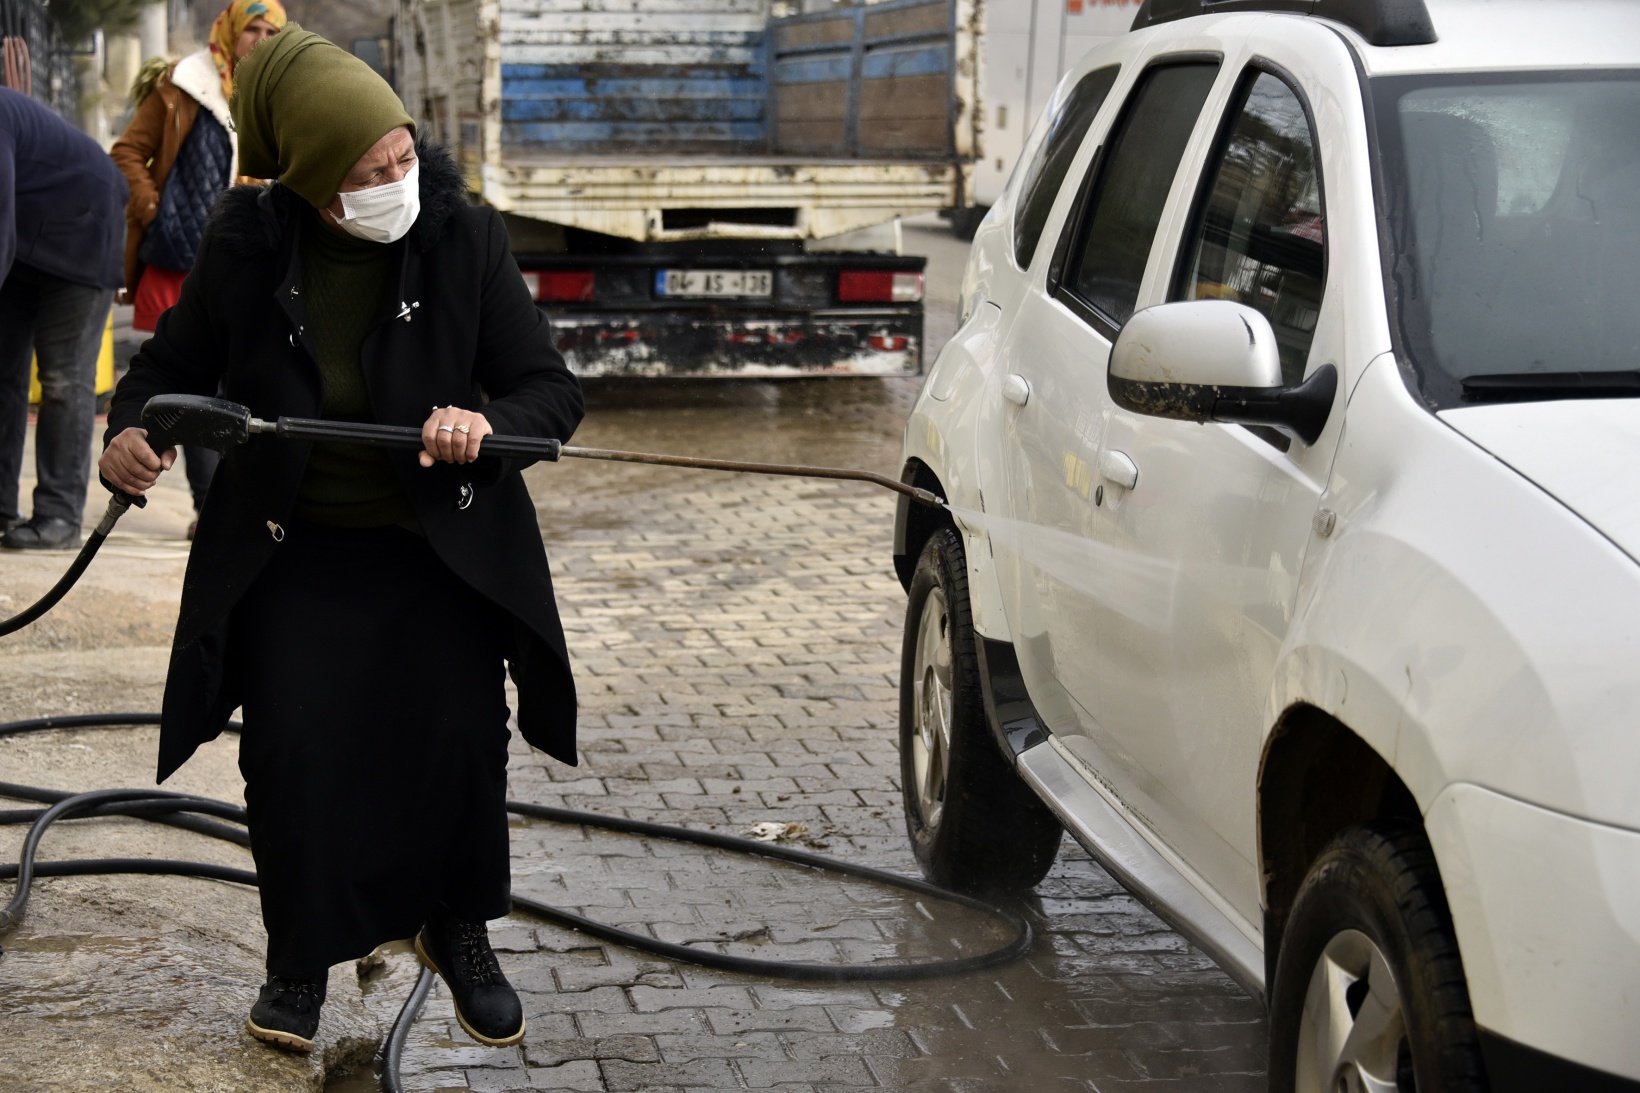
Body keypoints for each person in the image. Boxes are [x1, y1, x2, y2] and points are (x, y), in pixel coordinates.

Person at [97, 27, 583, 1053]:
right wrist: (129, 432)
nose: (397, 181)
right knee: (294, 755)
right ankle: (298, 961)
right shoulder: (245, 247)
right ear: (314, 183)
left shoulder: (463, 235)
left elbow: (549, 389)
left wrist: (488, 430)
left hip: (437, 546)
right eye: (370, 171)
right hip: (297, 545)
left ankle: (455, 928)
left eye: (403, 158)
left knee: (456, 740)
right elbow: (162, 371)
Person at [111, 0, 286, 538]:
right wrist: (154, 210)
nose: (258, 38)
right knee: (196, 381)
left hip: (248, 258)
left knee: (244, 379)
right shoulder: (182, 85)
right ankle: (208, 505)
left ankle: (234, 500)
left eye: (269, 29)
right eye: (250, 28)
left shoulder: (277, 91)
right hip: (182, 258)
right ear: (229, 31)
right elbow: (127, 153)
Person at [0, 87, 128, 550]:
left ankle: (58, 516)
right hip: (27, 243)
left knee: (62, 378)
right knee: (3, 375)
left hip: (84, 230)